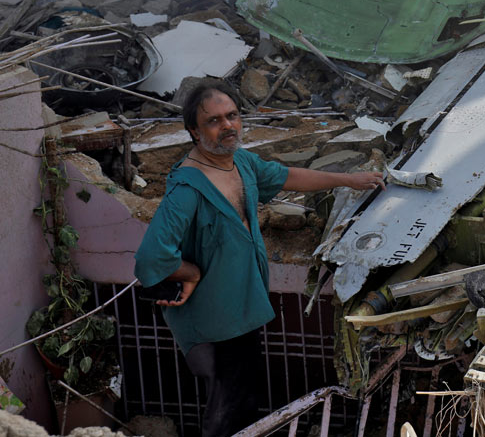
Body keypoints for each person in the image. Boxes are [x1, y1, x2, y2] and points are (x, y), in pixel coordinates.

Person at [134, 80, 384, 436]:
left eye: (232, 116)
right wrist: (188, 272)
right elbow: (150, 259)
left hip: (244, 308)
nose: (227, 126)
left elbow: (287, 176)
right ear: (193, 131)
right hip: (214, 320)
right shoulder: (187, 187)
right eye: (214, 121)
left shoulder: (241, 163)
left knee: (244, 401)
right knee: (226, 409)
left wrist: (349, 179)